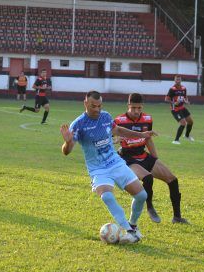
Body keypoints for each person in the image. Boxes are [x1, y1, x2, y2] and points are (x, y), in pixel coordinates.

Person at [60, 91, 156, 244]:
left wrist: (142, 135)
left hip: (115, 163)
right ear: (85, 103)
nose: (97, 109)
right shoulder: (78, 124)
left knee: (142, 196)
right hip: (98, 169)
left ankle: (133, 225)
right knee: (107, 196)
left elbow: (118, 130)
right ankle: (129, 231)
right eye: (93, 106)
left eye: (99, 106)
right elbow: (67, 151)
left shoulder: (105, 116)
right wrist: (68, 142)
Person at [114, 93, 189, 224]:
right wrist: (114, 140)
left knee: (172, 179)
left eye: (139, 108)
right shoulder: (119, 121)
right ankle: (150, 207)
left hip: (143, 154)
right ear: (128, 106)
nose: (137, 111)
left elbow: (148, 138)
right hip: (128, 158)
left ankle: (177, 217)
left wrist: (155, 159)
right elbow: (106, 138)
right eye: (134, 108)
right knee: (148, 178)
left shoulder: (147, 119)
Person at [165, 75, 194, 144]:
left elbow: (185, 97)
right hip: (175, 109)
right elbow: (166, 99)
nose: (178, 81)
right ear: (174, 80)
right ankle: (176, 140)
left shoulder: (184, 88)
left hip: (182, 108)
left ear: (181, 80)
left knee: (190, 121)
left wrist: (186, 101)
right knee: (183, 123)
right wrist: (174, 103)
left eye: (179, 79)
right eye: (177, 80)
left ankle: (187, 135)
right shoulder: (172, 89)